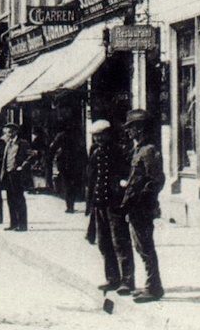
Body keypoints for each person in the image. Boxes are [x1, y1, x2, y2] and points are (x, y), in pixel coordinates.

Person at [121, 109, 165, 302]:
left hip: (142, 207)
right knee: (141, 247)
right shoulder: (139, 149)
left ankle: (154, 288)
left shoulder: (148, 150)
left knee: (146, 247)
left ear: (139, 129)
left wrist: (142, 201)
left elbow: (156, 180)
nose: (128, 132)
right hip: (136, 206)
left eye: (131, 128)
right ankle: (151, 285)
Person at [86, 119, 134, 295]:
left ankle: (127, 281)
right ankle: (112, 278)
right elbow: (91, 177)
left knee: (120, 242)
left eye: (100, 135)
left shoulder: (119, 151)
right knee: (104, 243)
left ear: (108, 134)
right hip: (99, 203)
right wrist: (90, 203)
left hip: (114, 203)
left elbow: (125, 174)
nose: (98, 139)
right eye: (95, 136)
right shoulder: (95, 152)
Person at [0, 123, 32, 231]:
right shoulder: (7, 143)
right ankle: (13, 223)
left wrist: (22, 166)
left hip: (17, 174)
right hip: (8, 174)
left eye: (8, 132)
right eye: (5, 133)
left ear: (14, 132)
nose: (6, 135)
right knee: (10, 200)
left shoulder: (23, 143)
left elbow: (31, 156)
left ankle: (22, 225)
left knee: (19, 199)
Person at [49, 123, 85, 213]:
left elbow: (52, 148)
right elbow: (82, 149)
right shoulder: (78, 135)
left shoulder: (61, 136)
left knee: (67, 184)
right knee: (73, 184)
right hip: (76, 162)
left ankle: (69, 206)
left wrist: (51, 157)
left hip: (65, 163)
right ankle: (71, 203)